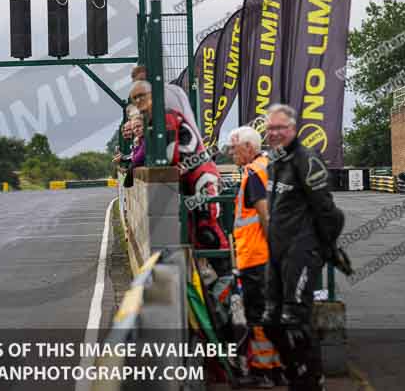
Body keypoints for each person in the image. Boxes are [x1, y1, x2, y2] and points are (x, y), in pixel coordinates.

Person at [261, 103, 336, 391]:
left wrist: (322, 247)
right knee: (269, 319)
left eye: (280, 128)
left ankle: (312, 379)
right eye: (270, 128)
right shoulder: (273, 162)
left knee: (295, 317)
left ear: (293, 129)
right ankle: (296, 374)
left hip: (302, 251)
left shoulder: (307, 159)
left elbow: (326, 208)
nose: (275, 133)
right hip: (277, 252)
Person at [129, 80, 229, 256]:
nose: (138, 101)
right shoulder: (152, 120)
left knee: (208, 233)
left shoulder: (165, 116)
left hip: (202, 178)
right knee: (193, 235)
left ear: (153, 96)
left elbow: (169, 156)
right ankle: (211, 278)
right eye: (134, 98)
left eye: (141, 96)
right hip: (188, 182)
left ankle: (229, 277)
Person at [229, 127, 285, 388]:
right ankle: (278, 368)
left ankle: (263, 371)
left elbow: (264, 215)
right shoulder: (270, 165)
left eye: (234, 148)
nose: (231, 153)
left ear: (249, 148)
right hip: (267, 255)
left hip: (256, 256)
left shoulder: (253, 173)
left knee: (257, 314)